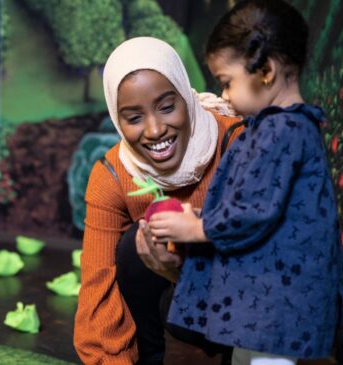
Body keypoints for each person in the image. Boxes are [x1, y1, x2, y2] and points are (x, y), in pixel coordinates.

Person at [146, 1, 343, 364]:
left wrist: (197, 227)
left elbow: (255, 211)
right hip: (267, 298)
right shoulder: (276, 127)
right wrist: (197, 216)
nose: (224, 95)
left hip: (276, 302)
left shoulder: (282, 129)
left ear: (266, 71)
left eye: (227, 82)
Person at [73, 36, 244, 365]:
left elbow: (269, 265)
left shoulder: (238, 144)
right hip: (169, 298)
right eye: (134, 118)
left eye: (167, 107)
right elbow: (98, 285)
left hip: (238, 303)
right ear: (117, 119)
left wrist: (185, 270)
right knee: (129, 248)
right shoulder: (112, 173)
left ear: (186, 97)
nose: (154, 130)